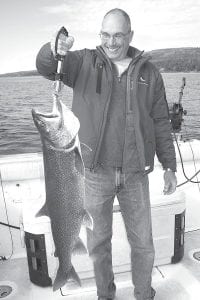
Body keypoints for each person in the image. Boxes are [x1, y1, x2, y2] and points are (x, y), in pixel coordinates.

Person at [36, 8, 177, 300]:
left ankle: (143, 295)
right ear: (99, 34)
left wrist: (169, 166)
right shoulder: (84, 62)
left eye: (118, 36)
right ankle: (105, 295)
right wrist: (54, 50)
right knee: (99, 245)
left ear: (130, 36)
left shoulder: (149, 72)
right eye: (106, 35)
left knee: (143, 245)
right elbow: (48, 66)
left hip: (136, 173)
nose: (111, 42)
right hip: (94, 173)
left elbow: (161, 121)